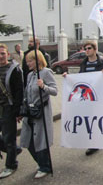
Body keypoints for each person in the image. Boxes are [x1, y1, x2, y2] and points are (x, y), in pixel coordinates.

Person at [63, 41, 103, 156]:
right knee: (90, 119)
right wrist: (68, 78)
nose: (87, 50)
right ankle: (93, 143)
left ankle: (102, 138)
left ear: (95, 49)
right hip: (89, 97)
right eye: (85, 48)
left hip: (101, 96)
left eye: (89, 48)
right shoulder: (83, 64)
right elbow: (80, 78)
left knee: (100, 118)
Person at [20, 50, 57, 179]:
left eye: (30, 61)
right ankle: (41, 162)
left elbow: (54, 91)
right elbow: (27, 92)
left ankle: (45, 166)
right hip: (30, 112)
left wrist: (44, 87)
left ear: (37, 60)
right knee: (28, 140)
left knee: (41, 140)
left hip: (41, 112)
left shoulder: (46, 73)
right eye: (27, 61)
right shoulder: (30, 75)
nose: (27, 63)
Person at [0, 44, 23, 179]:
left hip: (9, 107)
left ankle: (11, 165)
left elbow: (19, 91)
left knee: (9, 138)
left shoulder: (14, 69)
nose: (0, 56)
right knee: (8, 141)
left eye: (3, 53)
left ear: (8, 54)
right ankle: (15, 150)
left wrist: (17, 110)